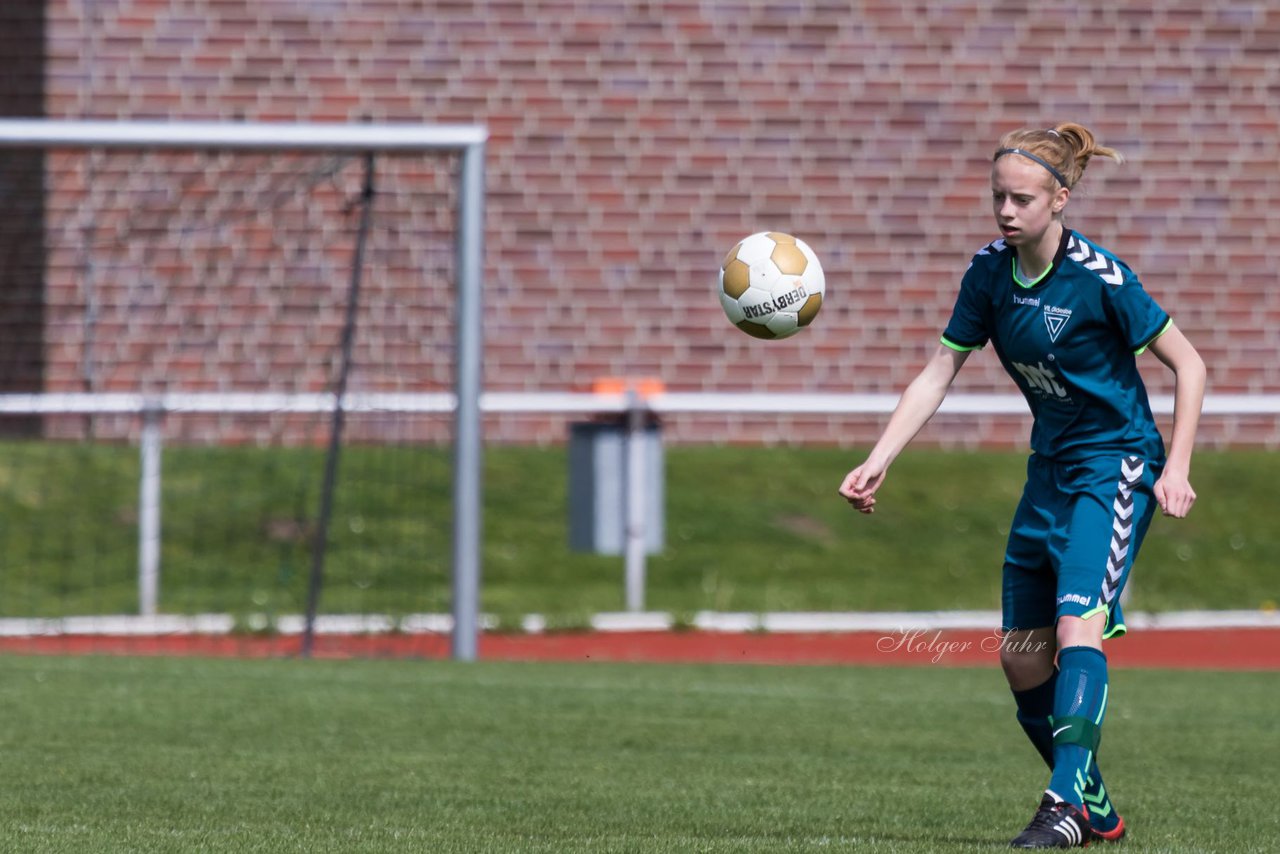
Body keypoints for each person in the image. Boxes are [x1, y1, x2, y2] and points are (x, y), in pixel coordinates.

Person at [838, 122, 1206, 848]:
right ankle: (1089, 790)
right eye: (998, 197)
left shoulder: (1103, 279)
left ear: (1060, 198)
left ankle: (1062, 805)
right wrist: (881, 455)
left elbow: (1189, 365)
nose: (1006, 211)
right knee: (1019, 655)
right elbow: (941, 367)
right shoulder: (987, 273)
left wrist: (1178, 466)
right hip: (1050, 470)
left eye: (1023, 199)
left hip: (1116, 465)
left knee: (1078, 627)